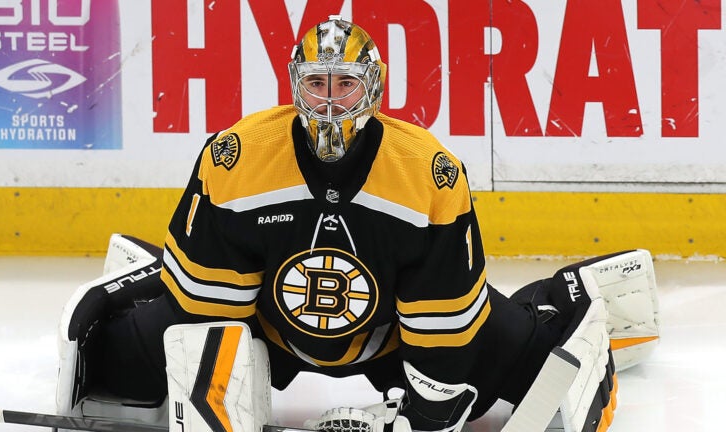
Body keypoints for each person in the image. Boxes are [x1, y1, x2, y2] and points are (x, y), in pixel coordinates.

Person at [55, 16, 660, 432]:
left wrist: (427, 417)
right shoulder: (235, 157)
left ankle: (567, 300)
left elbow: (444, 321)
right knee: (111, 361)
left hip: (393, 337)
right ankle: (140, 270)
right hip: (271, 328)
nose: (329, 101)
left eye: (345, 84)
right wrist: (198, 375)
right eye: (316, 84)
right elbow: (205, 305)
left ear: (373, 88)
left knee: (545, 373)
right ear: (295, 84)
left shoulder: (429, 172)